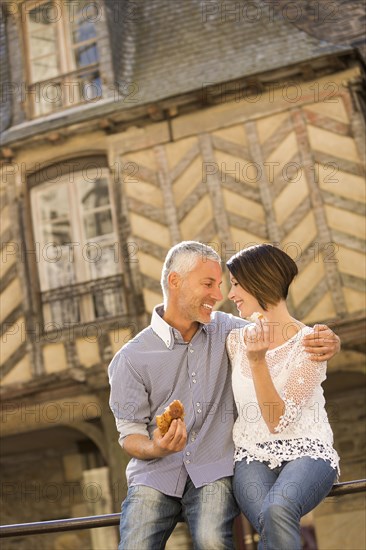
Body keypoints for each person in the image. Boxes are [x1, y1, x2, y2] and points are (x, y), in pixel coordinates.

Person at [108, 241, 340, 550]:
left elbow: (280, 329)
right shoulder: (131, 357)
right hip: (155, 473)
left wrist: (328, 340)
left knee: (213, 540)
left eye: (223, 284)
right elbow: (128, 434)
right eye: (209, 284)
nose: (220, 295)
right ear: (174, 281)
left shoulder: (227, 331)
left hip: (212, 469)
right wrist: (155, 446)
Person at [226, 244, 340, 550]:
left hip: (309, 452)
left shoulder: (311, 343)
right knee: (271, 523)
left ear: (258, 281)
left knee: (278, 509)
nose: (230, 294)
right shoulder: (235, 340)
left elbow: (277, 419)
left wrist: (258, 361)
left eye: (236, 284)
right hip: (251, 455)